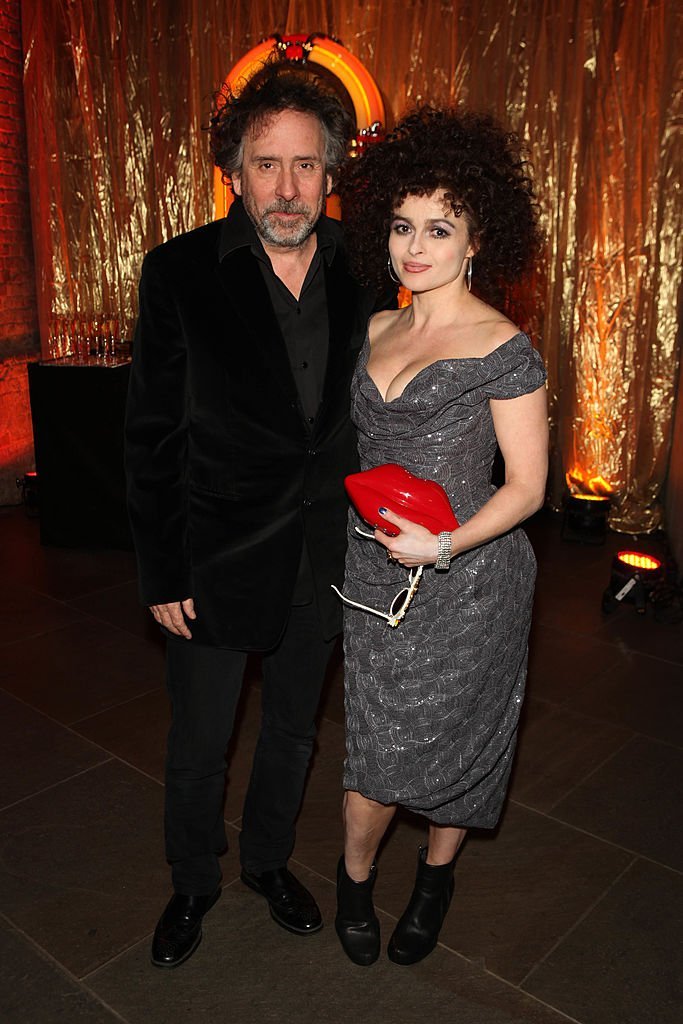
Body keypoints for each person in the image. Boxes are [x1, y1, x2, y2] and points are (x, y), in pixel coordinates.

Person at [125, 61, 388, 969]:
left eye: (306, 166)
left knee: (291, 729)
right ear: (233, 171)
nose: (287, 188)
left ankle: (269, 862)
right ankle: (193, 877)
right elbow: (151, 435)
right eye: (267, 165)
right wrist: (162, 572)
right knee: (201, 739)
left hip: (328, 552)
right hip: (217, 552)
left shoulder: (368, 264)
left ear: (332, 172)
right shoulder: (180, 272)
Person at [333, 108, 549, 967]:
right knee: (374, 749)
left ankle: (433, 881)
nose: (414, 246)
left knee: (456, 746)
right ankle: (352, 882)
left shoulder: (502, 347)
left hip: (469, 581)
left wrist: (447, 544)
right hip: (371, 575)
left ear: (473, 239)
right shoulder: (374, 328)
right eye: (400, 225)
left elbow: (528, 488)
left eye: (438, 228)